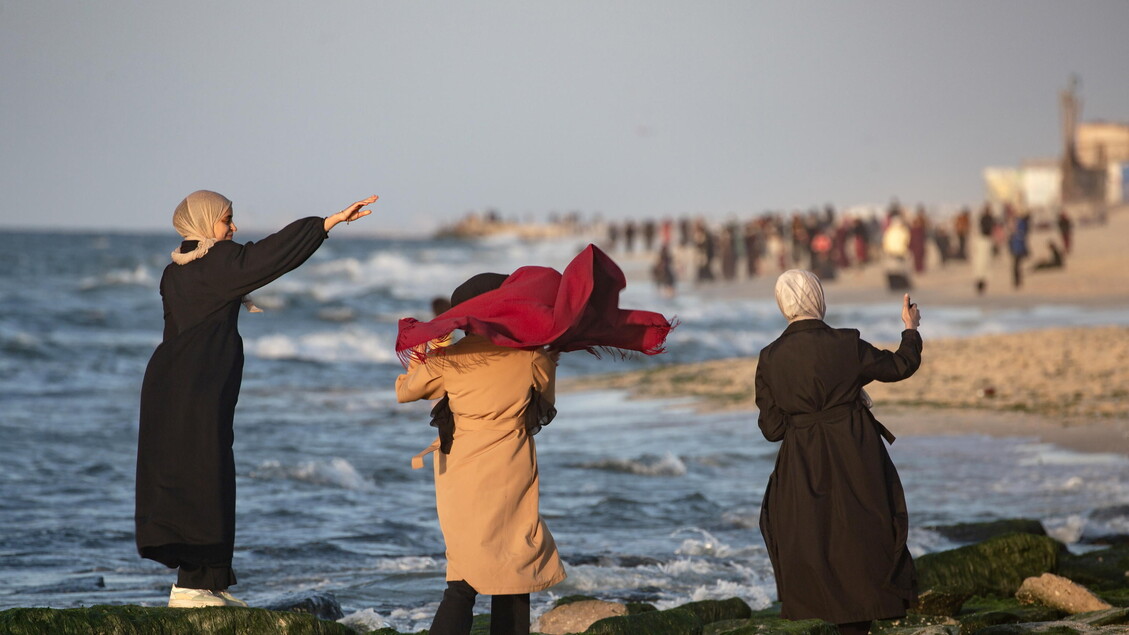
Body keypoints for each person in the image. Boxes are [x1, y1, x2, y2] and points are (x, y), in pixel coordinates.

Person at [394, 245, 673, 635]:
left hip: (460, 475)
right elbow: (544, 401)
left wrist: (432, 346)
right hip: (511, 470)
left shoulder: (450, 360)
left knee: (460, 577)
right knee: (515, 569)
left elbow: (406, 391)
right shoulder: (530, 359)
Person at [136, 190, 379, 608]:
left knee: (199, 475)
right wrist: (325, 223)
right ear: (204, 221)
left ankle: (208, 583)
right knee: (203, 477)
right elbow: (269, 256)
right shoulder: (219, 264)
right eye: (226, 219)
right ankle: (192, 588)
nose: (232, 228)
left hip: (173, 385)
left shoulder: (175, 271)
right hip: (195, 387)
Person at [756, 270, 922, 634]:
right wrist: (910, 329)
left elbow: (771, 429)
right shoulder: (846, 343)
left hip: (801, 460)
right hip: (854, 451)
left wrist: (803, 417)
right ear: (818, 297)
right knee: (862, 535)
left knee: (814, 541)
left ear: (783, 304)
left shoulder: (769, 358)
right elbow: (900, 366)